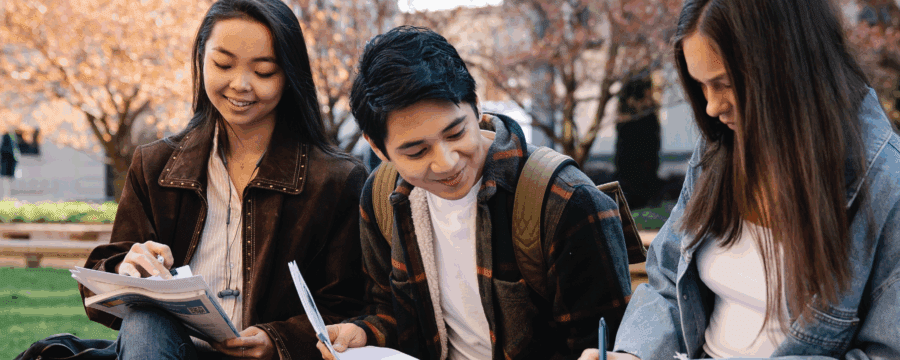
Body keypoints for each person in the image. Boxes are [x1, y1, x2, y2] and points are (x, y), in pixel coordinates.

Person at [579, 0, 900, 359]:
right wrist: (634, 353)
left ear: (788, 64)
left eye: (726, 84)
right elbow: (668, 278)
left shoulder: (887, 183)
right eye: (701, 86)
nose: (712, 108)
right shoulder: (721, 145)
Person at [316, 26, 634, 360]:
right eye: (416, 152)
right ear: (378, 149)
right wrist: (365, 332)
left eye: (455, 133)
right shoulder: (383, 197)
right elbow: (391, 312)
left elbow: (601, 346)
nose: (446, 163)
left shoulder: (564, 200)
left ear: (476, 105)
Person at [78, 0, 367, 359]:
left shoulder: (337, 180)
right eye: (223, 64)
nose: (240, 85)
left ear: (289, 76)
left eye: (263, 71)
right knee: (145, 322)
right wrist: (126, 266)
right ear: (201, 59)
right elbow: (102, 287)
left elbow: (350, 307)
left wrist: (277, 339)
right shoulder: (154, 165)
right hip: (167, 350)